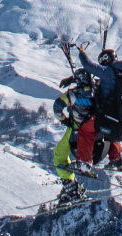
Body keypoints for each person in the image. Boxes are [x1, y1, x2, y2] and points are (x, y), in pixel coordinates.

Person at [72, 46, 122, 171]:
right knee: (109, 130)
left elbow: (88, 65)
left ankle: (84, 163)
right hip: (120, 116)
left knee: (86, 130)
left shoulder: (108, 71)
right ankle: (117, 159)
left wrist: (81, 52)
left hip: (107, 113)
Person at [50, 74, 92, 205]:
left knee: (59, 155)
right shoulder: (98, 89)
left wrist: (66, 121)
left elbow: (57, 108)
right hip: (95, 131)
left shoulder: (73, 94)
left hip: (76, 130)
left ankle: (71, 188)